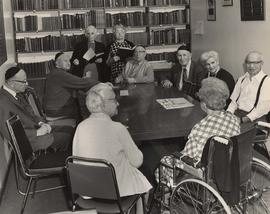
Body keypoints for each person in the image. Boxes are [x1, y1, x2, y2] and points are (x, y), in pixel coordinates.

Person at [72, 83, 152, 212]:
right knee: (145, 176)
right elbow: (137, 161)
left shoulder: (80, 127)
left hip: (86, 192)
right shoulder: (118, 128)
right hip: (115, 195)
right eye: (115, 99)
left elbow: (76, 160)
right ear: (104, 103)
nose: (118, 104)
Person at [156, 77, 240, 187]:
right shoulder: (233, 119)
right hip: (229, 166)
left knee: (164, 163)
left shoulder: (200, 127)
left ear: (204, 105)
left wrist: (174, 157)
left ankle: (166, 199)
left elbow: (186, 157)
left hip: (206, 173)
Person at [0, 66, 74, 152]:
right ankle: (66, 161)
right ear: (12, 83)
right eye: (24, 81)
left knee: (70, 130)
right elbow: (10, 133)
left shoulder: (18, 93)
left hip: (37, 127)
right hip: (29, 141)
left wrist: (42, 123)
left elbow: (31, 114)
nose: (27, 84)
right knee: (67, 138)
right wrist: (37, 132)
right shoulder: (2, 102)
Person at [43, 52, 99, 120]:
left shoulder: (56, 73)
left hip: (54, 110)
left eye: (69, 60)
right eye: (65, 61)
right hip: (57, 111)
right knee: (86, 112)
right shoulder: (59, 74)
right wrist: (101, 83)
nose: (69, 63)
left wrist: (82, 82)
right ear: (57, 63)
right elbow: (80, 82)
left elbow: (78, 82)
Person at [227, 51, 270, 123]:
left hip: (255, 119)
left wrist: (242, 120)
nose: (251, 66)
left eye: (255, 63)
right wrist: (228, 114)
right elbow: (234, 102)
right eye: (249, 63)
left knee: (235, 134)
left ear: (261, 64)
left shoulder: (267, 81)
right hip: (238, 114)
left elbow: (262, 108)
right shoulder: (241, 79)